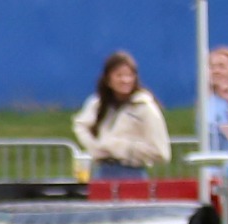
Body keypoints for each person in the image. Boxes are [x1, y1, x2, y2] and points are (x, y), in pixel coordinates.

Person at [72, 51, 170, 181]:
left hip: (132, 174)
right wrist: (96, 147)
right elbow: (81, 125)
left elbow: (161, 152)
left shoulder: (144, 107)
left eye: (129, 75)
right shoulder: (98, 104)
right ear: (108, 79)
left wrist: (120, 148)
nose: (125, 80)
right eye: (119, 75)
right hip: (103, 172)